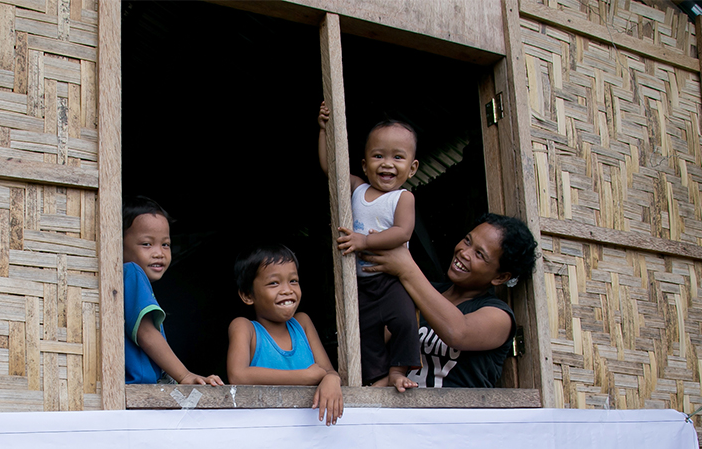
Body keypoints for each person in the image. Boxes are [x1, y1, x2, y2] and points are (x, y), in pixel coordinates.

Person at [360, 213, 538, 388]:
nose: (464, 253)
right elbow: (378, 339)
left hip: (454, 416)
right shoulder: (421, 290)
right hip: (402, 411)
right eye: (467, 241)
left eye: (479, 254)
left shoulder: (499, 316)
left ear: (500, 277)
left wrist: (407, 269)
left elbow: (457, 332)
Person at [317, 102, 421, 391]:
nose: (387, 163)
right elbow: (330, 169)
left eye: (398, 157)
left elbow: (402, 233)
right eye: (378, 156)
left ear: (412, 168)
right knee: (364, 332)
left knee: (404, 321)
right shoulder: (358, 189)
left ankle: (399, 371)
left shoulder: (402, 198)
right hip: (360, 283)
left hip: (390, 281)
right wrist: (324, 129)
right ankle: (377, 378)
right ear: (365, 164)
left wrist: (365, 241)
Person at [227, 244, 343, 426]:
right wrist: (304, 377)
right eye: (274, 283)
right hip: (264, 430)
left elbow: (326, 371)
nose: (287, 290)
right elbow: (238, 375)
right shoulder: (245, 328)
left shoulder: (302, 324)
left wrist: (331, 379)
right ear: (248, 295)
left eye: (293, 281)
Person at [123, 196, 223, 386]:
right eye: (147, 244)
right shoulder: (132, 272)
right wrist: (184, 375)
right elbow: (146, 333)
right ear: (117, 244)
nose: (159, 253)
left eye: (165, 244)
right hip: (139, 388)